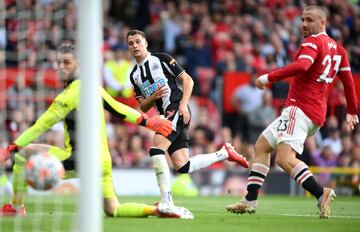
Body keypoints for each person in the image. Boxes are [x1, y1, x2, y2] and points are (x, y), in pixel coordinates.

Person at [0, 43, 192, 219]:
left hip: (79, 159)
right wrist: (149, 123)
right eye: (59, 63)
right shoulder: (93, 87)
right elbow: (119, 108)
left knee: (22, 155)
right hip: (103, 162)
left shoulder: (70, 94)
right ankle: (159, 209)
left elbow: (40, 125)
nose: (60, 67)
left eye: (66, 62)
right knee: (113, 209)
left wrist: (11, 148)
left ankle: (16, 207)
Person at [226, 6, 359, 219]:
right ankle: (250, 200)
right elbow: (348, 82)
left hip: (300, 109)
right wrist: (352, 111)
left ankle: (320, 193)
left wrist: (268, 77)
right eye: (302, 19)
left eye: (309, 20)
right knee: (262, 145)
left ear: (322, 23)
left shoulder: (313, 42)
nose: (304, 24)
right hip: (314, 113)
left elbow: (302, 66)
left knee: (285, 159)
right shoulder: (339, 50)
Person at [126, 29, 249, 209]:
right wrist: (152, 98)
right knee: (182, 165)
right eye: (131, 43)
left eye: (138, 41)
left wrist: (183, 105)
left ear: (146, 43)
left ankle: (166, 201)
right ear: (129, 48)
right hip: (165, 113)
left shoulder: (161, 59)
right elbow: (143, 106)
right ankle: (224, 153)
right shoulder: (134, 75)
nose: (135, 46)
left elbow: (188, 80)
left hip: (175, 106)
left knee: (156, 148)